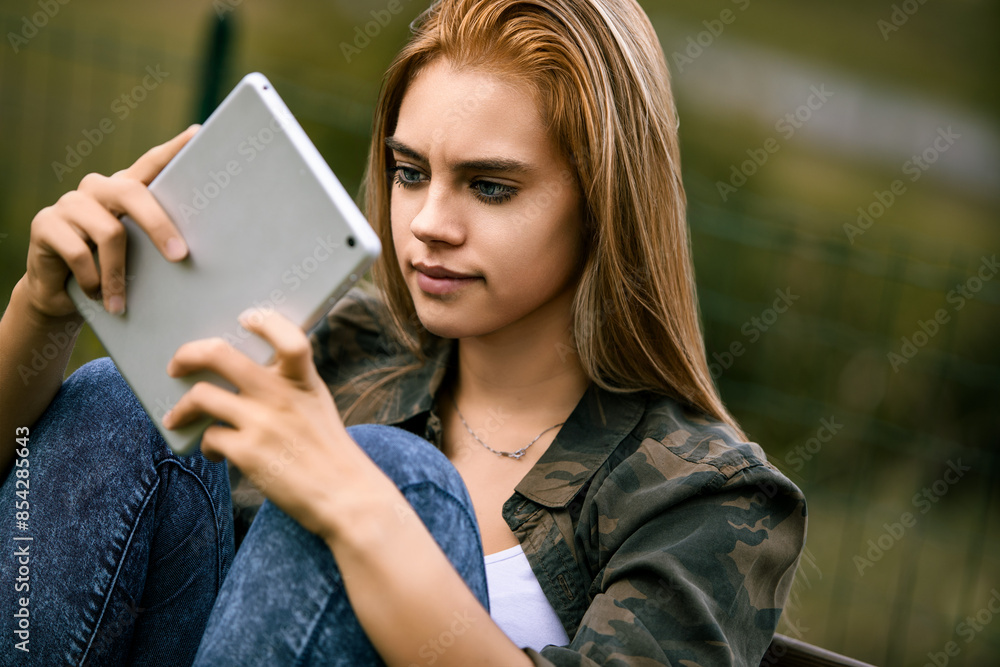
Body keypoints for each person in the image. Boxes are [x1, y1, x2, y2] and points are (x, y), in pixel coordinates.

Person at [0, 0, 807, 664]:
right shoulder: (344, 348)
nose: (428, 224)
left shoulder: (704, 493)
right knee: (118, 402)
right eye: (410, 171)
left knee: (397, 481)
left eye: (489, 187)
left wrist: (360, 508)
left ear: (604, 204)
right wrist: (41, 312)